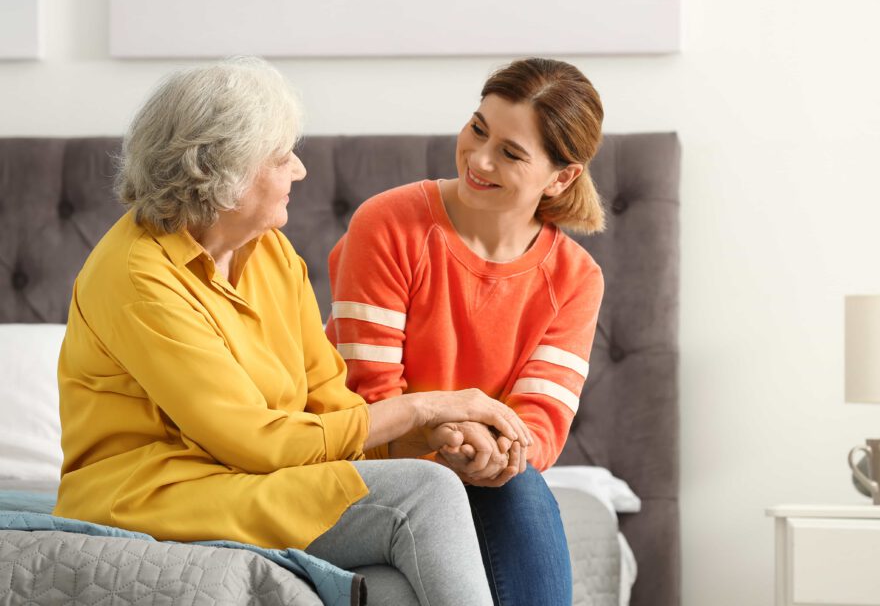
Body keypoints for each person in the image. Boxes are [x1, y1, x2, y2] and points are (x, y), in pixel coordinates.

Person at [54, 57, 532, 606]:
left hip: (251, 481)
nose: (301, 170)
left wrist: (431, 436)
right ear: (223, 176)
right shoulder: (138, 275)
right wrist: (424, 408)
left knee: (393, 589)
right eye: (282, 157)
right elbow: (255, 442)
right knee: (424, 493)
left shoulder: (272, 252)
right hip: (155, 494)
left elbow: (331, 411)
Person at [327, 57, 606, 606]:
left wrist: (488, 453)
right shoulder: (389, 224)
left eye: (510, 152)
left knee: (517, 483)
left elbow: (539, 424)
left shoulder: (576, 279)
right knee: (492, 488)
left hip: (487, 476)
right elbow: (365, 396)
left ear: (562, 176)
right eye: (478, 129)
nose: (478, 159)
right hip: (374, 465)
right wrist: (448, 435)